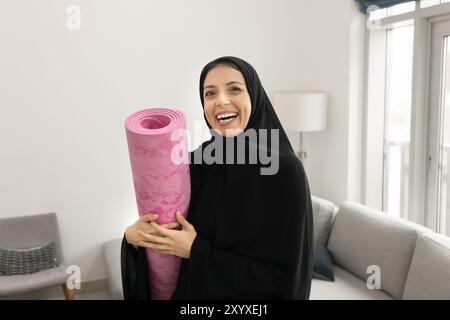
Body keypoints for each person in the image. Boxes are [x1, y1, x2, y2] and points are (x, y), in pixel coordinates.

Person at [121, 56, 314, 300]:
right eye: (210, 94)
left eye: (234, 89)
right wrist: (134, 238)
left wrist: (196, 251)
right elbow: (167, 237)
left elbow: (286, 280)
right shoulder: (193, 164)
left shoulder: (285, 173)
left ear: (254, 96)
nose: (221, 101)